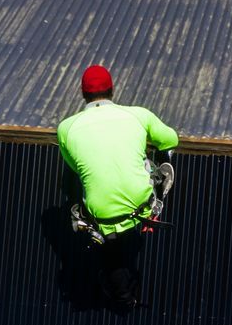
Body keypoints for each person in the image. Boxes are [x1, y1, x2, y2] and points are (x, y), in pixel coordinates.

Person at [56, 65, 178, 308]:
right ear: (113, 90)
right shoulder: (138, 115)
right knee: (152, 159)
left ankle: (121, 292)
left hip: (102, 215)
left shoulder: (65, 128)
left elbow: (75, 167)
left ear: (83, 93)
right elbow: (171, 140)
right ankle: (156, 198)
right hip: (140, 206)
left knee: (86, 179)